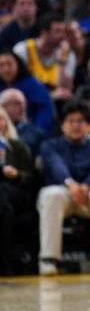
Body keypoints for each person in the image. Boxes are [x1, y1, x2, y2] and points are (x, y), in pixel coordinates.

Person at [37, 101, 90, 276]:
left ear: (89, 125)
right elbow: (55, 165)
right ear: (62, 125)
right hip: (62, 194)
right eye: (70, 121)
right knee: (53, 194)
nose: (75, 125)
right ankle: (48, 259)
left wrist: (86, 185)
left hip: (89, 194)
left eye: (80, 121)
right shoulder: (50, 145)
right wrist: (71, 184)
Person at [0, 106, 36, 276]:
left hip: (16, 191)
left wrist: (17, 174)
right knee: (3, 207)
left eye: (1, 119)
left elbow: (31, 177)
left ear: (6, 123)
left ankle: (6, 262)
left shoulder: (18, 146)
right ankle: (6, 262)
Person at [12, 12, 76, 102]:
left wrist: (61, 63)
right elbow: (15, 86)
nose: (62, 36)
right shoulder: (23, 50)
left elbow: (66, 91)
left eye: (63, 31)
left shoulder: (68, 54)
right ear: (44, 32)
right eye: (58, 31)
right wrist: (50, 95)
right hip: (27, 102)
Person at [0, 50, 55, 134]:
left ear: (18, 64)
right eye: (1, 65)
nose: (6, 69)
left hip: (29, 133)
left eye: (9, 64)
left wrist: (38, 133)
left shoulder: (33, 85)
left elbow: (44, 112)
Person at [0, 88, 47, 157]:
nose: (21, 107)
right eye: (13, 103)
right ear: (2, 106)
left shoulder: (37, 134)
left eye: (20, 103)